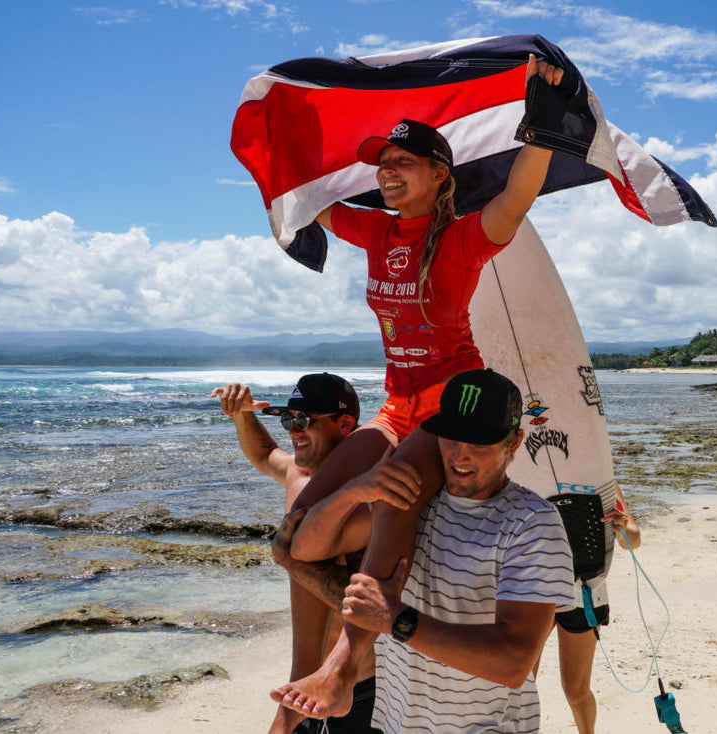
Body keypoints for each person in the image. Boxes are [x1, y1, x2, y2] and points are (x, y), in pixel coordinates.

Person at [269, 53, 569, 720]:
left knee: (396, 494)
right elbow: (313, 199)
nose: (386, 172)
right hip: (397, 406)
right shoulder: (374, 230)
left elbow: (517, 198)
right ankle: (363, 597)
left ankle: (345, 665)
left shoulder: (463, 239)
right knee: (292, 534)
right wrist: (283, 130)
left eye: (402, 162)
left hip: (447, 405)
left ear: (439, 176)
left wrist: (540, 125)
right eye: (382, 163)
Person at [285, 369, 576, 731]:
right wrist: (355, 491)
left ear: (514, 442)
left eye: (479, 444)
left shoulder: (532, 524)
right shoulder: (412, 504)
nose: (460, 457)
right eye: (450, 439)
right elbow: (302, 549)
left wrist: (395, 619)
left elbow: (513, 663)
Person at [210, 373, 374, 734]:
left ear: (345, 424)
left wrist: (286, 717)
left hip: (362, 690)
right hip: (304, 690)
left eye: (303, 420)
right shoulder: (299, 476)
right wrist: (242, 414)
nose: (293, 430)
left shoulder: (369, 489)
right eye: (287, 419)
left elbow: (362, 602)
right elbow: (265, 453)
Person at [542, 483, 641, 734]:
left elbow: (634, 539)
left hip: (583, 592)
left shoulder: (598, 477)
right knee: (518, 684)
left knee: (575, 690)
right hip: (535, 590)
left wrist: (620, 527)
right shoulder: (525, 469)